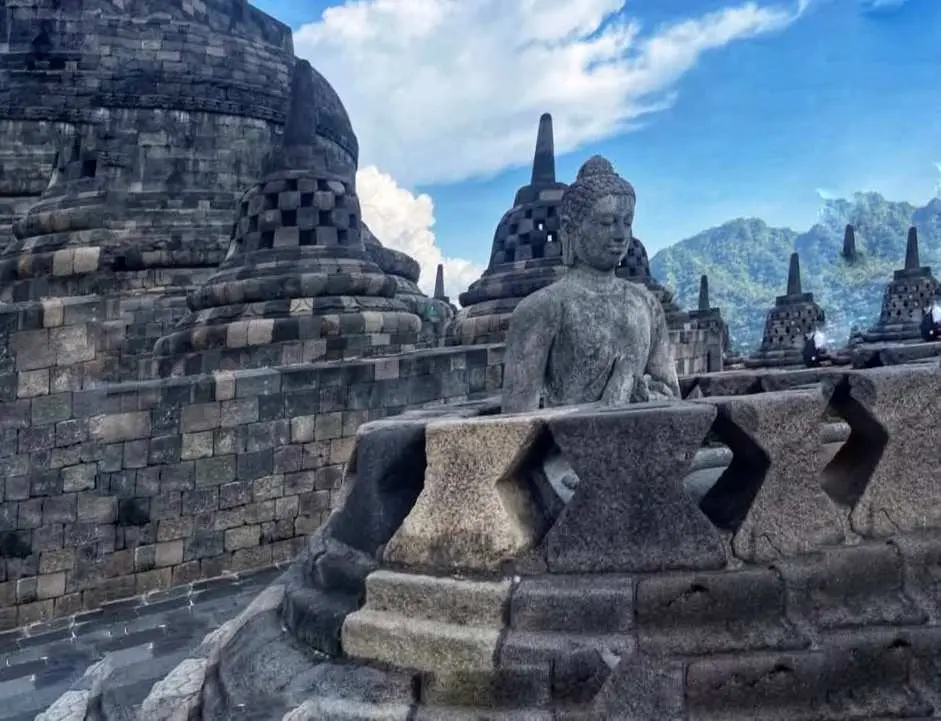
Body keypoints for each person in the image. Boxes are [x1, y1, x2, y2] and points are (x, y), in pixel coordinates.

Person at [502, 155, 679, 413]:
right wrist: (613, 397)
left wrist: (638, 393)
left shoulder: (648, 305)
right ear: (571, 228)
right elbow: (515, 421)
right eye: (606, 223)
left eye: (626, 222)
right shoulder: (543, 308)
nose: (620, 235)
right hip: (565, 450)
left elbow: (673, 396)